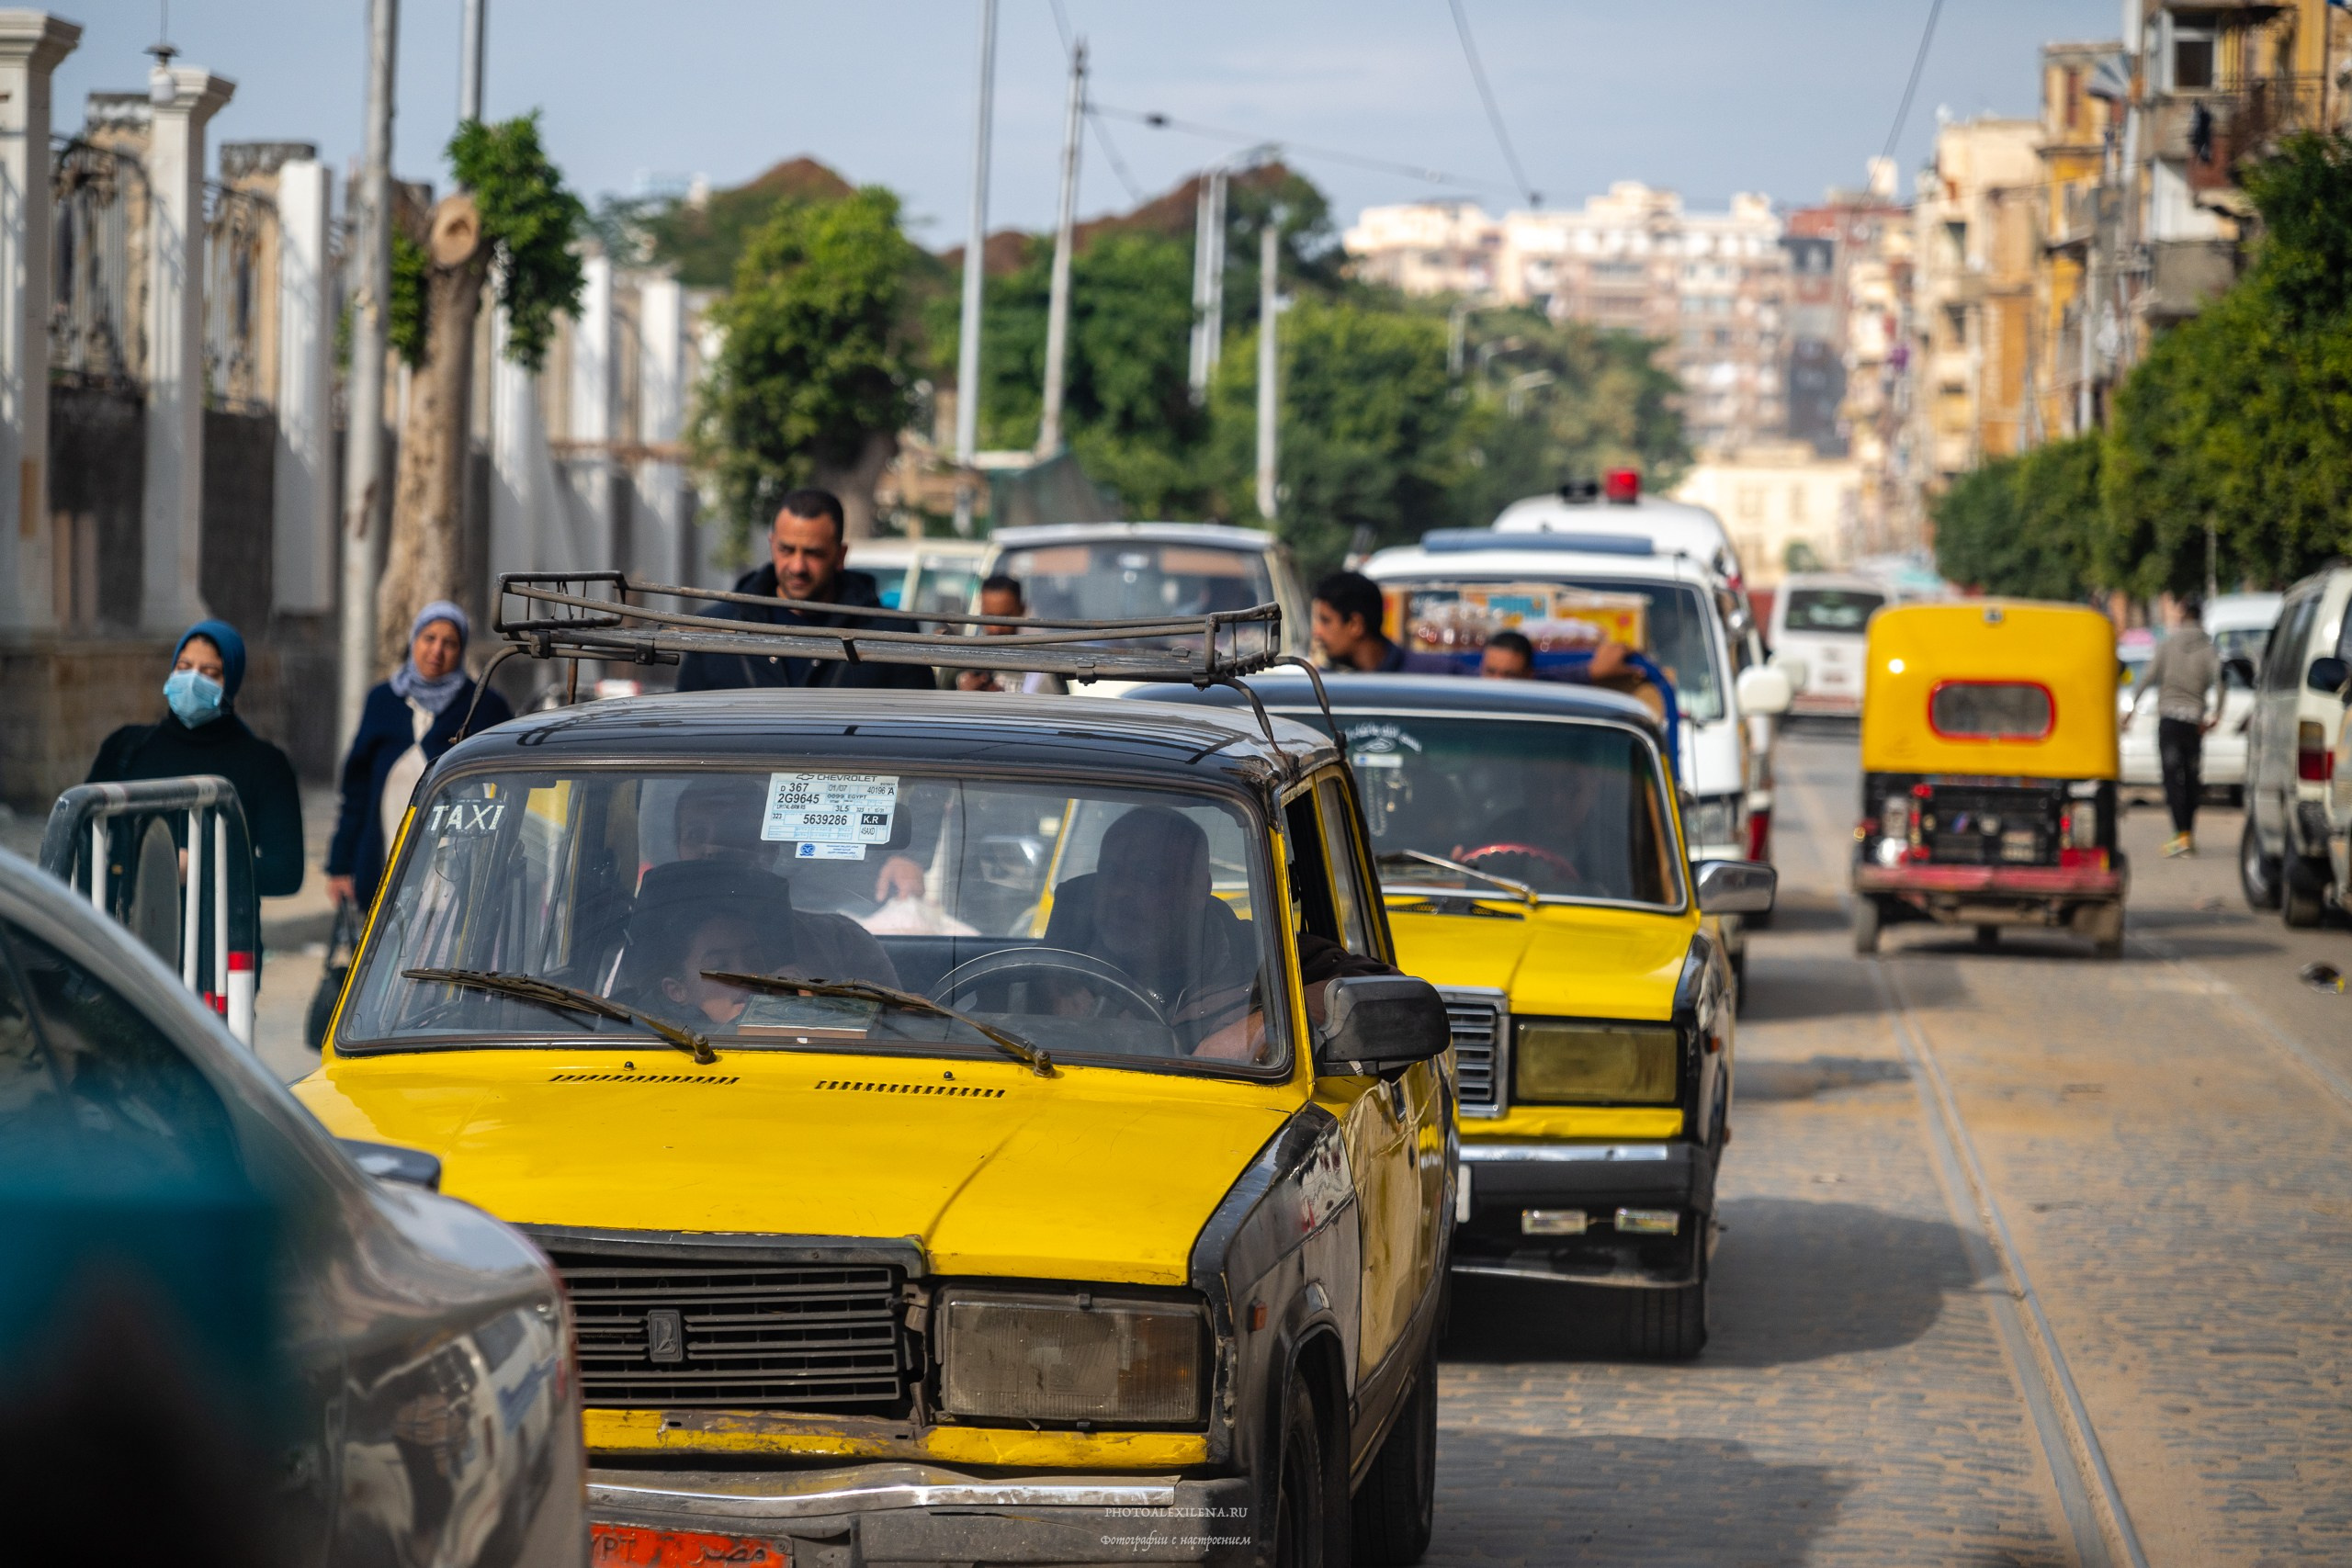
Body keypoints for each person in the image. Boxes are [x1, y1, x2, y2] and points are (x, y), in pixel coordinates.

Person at [1041, 807, 1394, 1061]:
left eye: (1148, 877)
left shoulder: (1259, 961)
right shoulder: (1047, 971)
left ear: (1199, 890)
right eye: (1112, 873)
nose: (1121, 893)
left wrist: (1261, 1028)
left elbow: (1382, 992)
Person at [88, 619, 307, 898]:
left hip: (221, 938)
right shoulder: (126, 748)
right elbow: (86, 835)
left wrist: (201, 868)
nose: (192, 680)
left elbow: (285, 872)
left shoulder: (264, 764)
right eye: (184, 667)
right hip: (128, 932)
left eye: (210, 672)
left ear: (231, 681)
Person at [326, 602, 514, 910]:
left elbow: (505, 788)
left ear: (461, 650)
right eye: (429, 638)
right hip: (382, 859)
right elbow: (356, 792)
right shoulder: (383, 700)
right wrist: (340, 866)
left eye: (449, 643)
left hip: (456, 872)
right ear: (414, 640)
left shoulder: (483, 706)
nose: (437, 651)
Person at [675, 490, 937, 693]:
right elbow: (686, 735)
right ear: (772, 545)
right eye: (787, 550)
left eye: (813, 553)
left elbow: (914, 740)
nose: (798, 566)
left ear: (840, 555)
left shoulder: (891, 639)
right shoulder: (715, 629)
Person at [666, 776, 903, 986]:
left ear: (770, 848)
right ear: (679, 849)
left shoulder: (842, 941)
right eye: (696, 835)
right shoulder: (654, 945)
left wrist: (820, 996)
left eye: (733, 834)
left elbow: (894, 1028)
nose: (713, 849)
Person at [2137, 596, 2221, 857]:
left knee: (2173, 780)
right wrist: (2217, 714)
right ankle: (2188, 835)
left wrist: (2130, 709)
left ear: (2183, 616)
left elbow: (2148, 676)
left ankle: (2180, 835)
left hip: (2170, 721)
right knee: (2192, 780)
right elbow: (2221, 681)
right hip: (2194, 722)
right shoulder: (2208, 649)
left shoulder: (2167, 644)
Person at [956, 575, 1067, 694]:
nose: (996, 628)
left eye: (1005, 618)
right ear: (981, 609)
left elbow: (1055, 705)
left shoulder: (1042, 662)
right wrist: (964, 695)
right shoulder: (961, 658)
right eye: (989, 616)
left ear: (1022, 609)